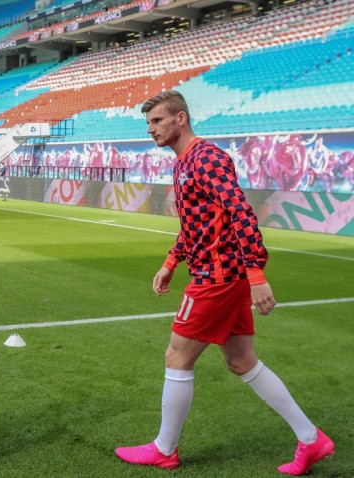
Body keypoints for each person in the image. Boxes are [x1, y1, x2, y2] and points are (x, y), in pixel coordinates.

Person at [115, 91, 334, 475]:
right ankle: (311, 439)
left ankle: (164, 449)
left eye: (157, 121)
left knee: (177, 356)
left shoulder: (207, 158)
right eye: (148, 123)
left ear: (180, 119)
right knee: (241, 361)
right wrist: (171, 261)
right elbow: (196, 227)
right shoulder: (184, 164)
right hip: (218, 275)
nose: (151, 130)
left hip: (217, 278)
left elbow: (240, 212)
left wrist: (256, 274)